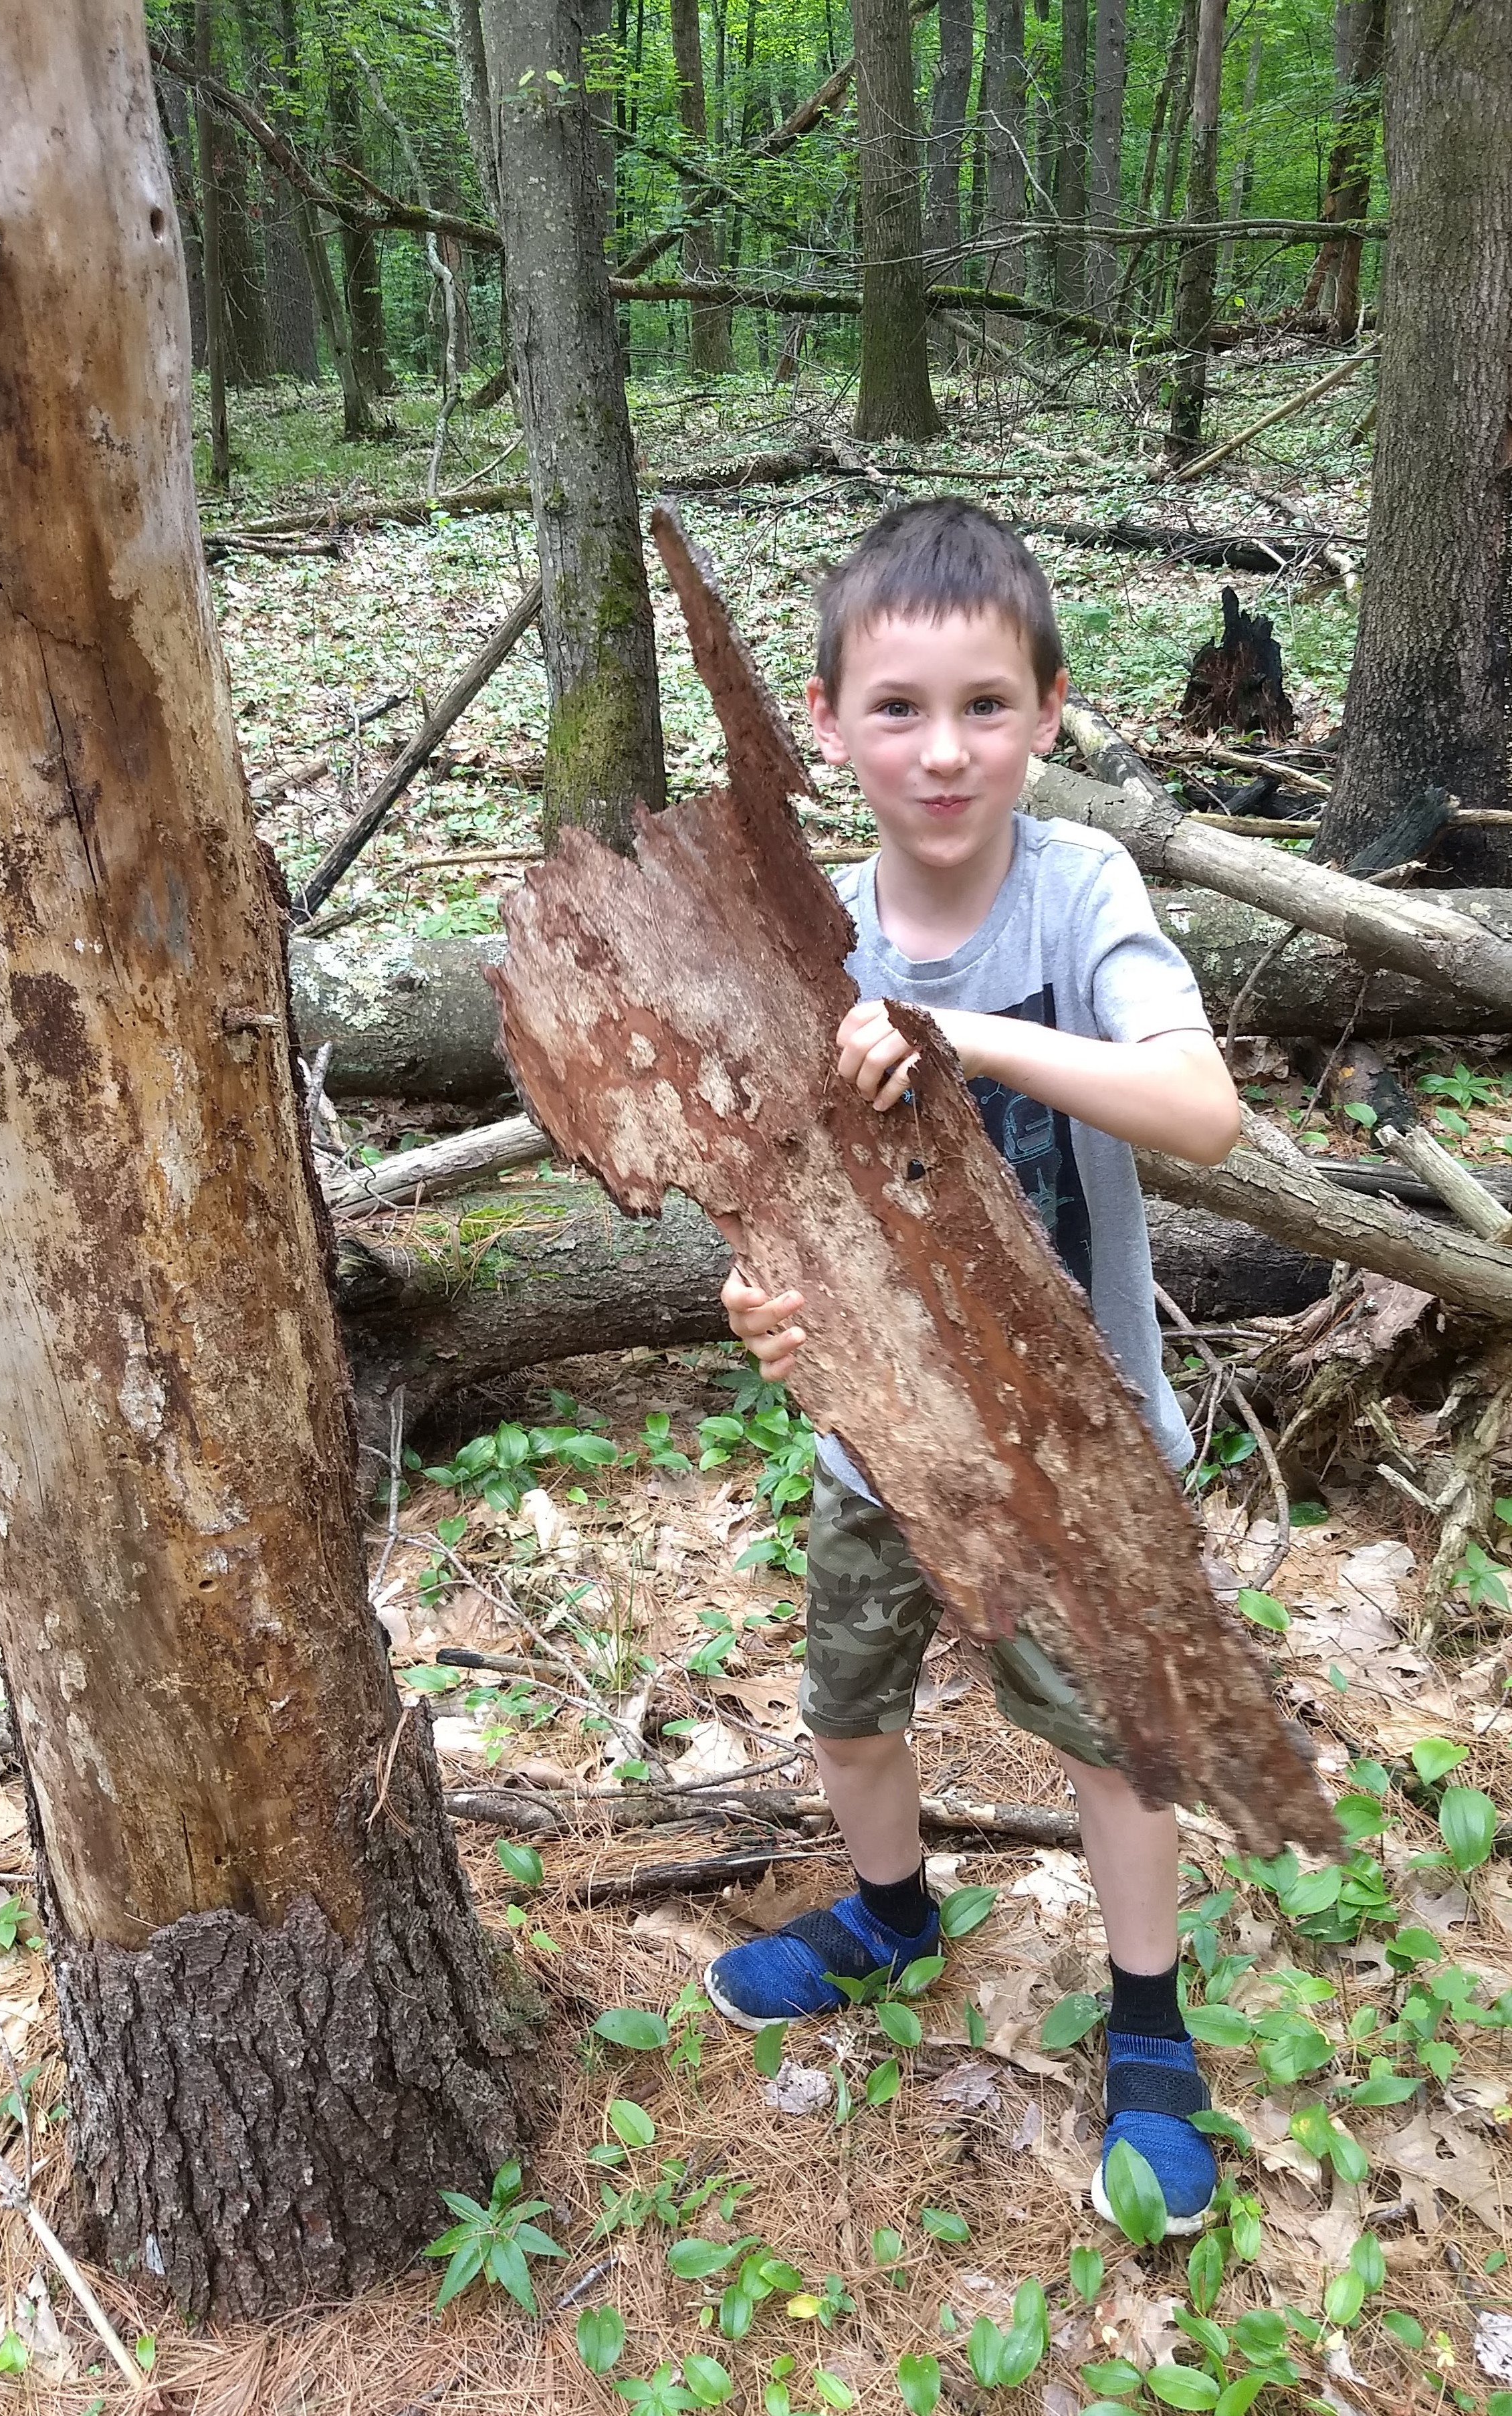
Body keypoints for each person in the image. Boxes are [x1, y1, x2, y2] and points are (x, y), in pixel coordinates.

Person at [701, 497, 1242, 2231]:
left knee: (1116, 1745)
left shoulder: (1077, 892)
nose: (943, 752)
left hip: (1079, 1448)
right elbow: (783, 1188)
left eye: (986, 706)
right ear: (826, 723)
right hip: (881, 1443)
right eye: (898, 709)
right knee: (850, 1709)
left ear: (1050, 711)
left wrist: (969, 1034)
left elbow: (1202, 1108)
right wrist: (760, 1300)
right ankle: (889, 1909)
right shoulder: (809, 933)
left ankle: (1146, 2026)